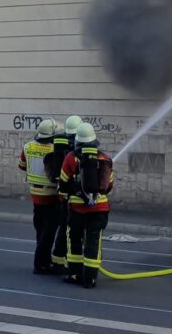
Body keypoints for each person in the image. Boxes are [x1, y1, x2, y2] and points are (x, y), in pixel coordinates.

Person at [60, 123, 114, 288]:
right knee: (94, 241)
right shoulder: (105, 159)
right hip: (100, 209)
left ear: (78, 140)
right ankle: (90, 279)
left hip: (77, 209)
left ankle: (75, 274)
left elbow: (63, 182)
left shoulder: (71, 158)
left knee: (74, 239)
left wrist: (69, 194)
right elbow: (108, 186)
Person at [18, 118, 60, 275]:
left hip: (35, 195)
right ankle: (41, 264)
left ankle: (44, 261)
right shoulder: (55, 149)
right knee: (49, 232)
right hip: (51, 195)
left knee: (40, 230)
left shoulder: (28, 146)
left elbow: (22, 166)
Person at [48, 115, 81, 274]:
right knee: (73, 231)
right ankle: (71, 264)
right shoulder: (77, 148)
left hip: (61, 192)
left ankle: (57, 261)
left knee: (62, 229)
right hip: (73, 194)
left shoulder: (60, 142)